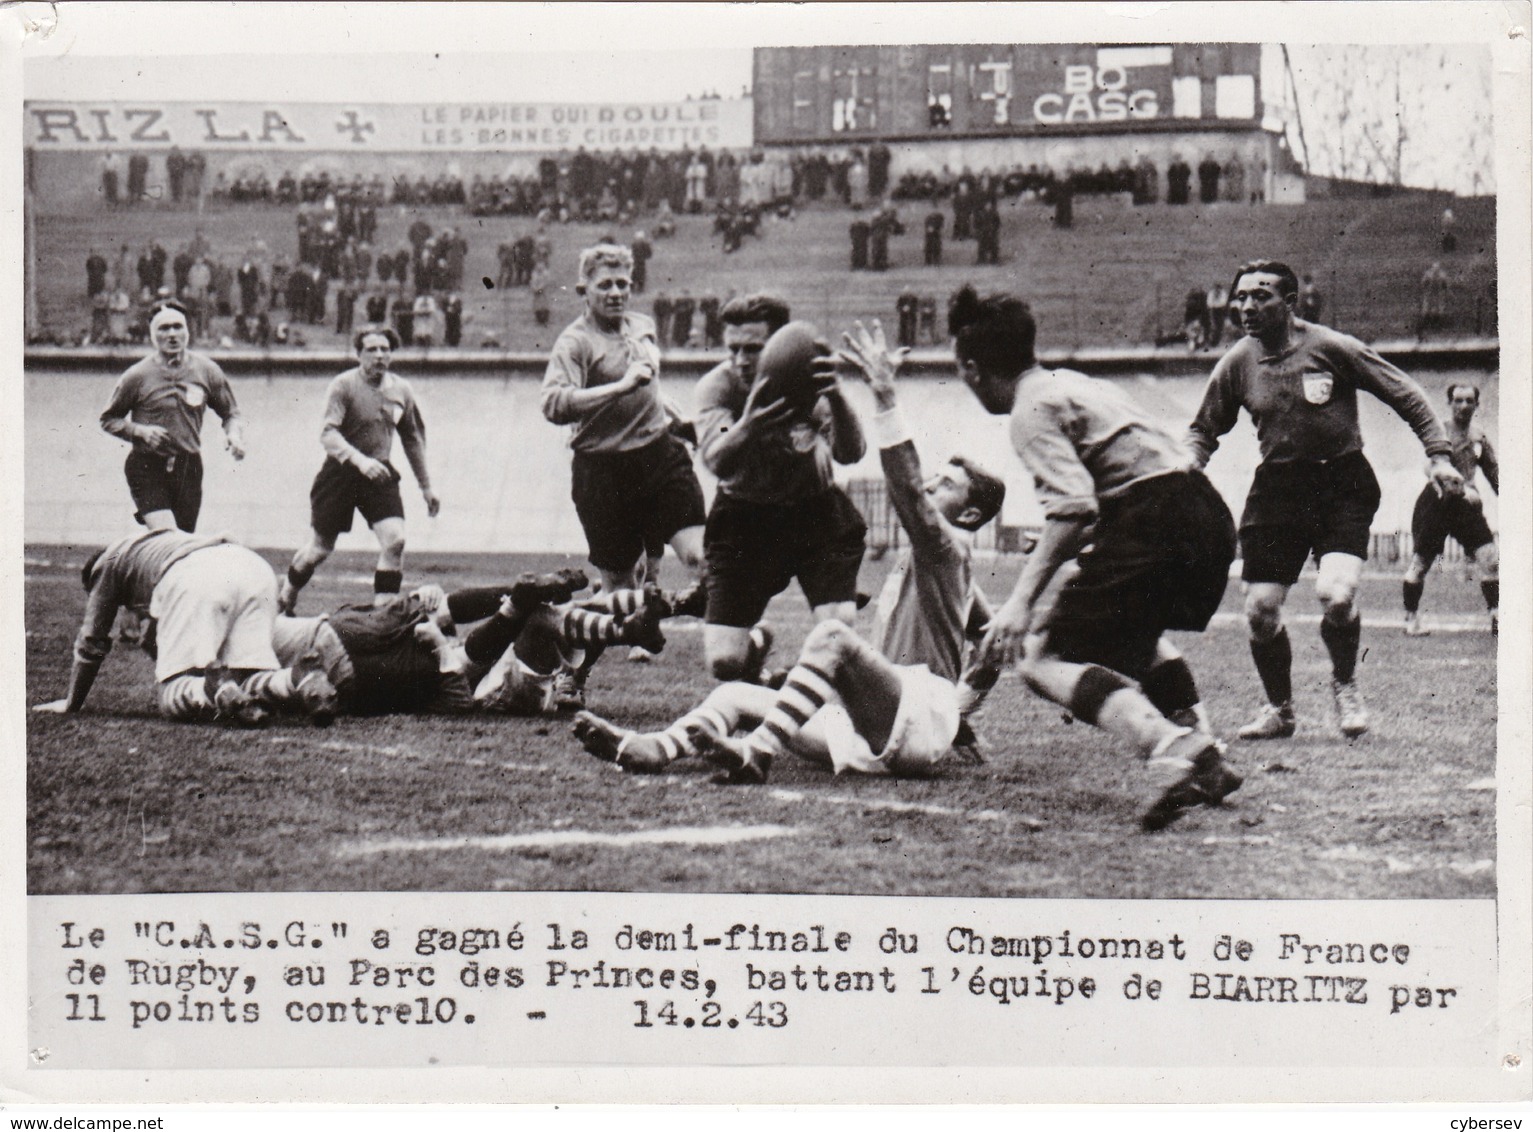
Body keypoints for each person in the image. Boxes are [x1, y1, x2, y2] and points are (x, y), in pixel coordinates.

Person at [575, 319, 1005, 782]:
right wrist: (961, 712)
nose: (932, 484)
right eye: (937, 476)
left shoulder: (948, 545)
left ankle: (755, 753)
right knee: (734, 695)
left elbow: (908, 489)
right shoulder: (944, 566)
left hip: (912, 716)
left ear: (968, 518)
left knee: (833, 636)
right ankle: (653, 748)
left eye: (947, 485)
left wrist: (884, 396)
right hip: (878, 724)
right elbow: (992, 639)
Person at [951, 286, 1241, 832]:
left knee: (1039, 658)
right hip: (1202, 512)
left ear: (971, 368)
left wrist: (1018, 602)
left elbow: (1074, 509)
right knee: (1135, 635)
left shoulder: (1028, 411)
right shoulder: (1072, 383)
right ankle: (1210, 760)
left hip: (1154, 519)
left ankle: (1175, 748)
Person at [1187, 260, 1464, 741]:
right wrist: (1189, 464)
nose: (1247, 306)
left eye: (1261, 296)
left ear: (1290, 302)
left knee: (1336, 595)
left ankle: (1345, 684)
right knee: (1259, 609)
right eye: (1241, 297)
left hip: (1342, 484)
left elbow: (1408, 395)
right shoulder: (1237, 361)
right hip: (1277, 489)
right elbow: (1203, 428)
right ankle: (1280, 710)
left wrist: (1439, 455)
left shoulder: (1332, 347)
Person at [692, 295, 867, 682]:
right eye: (732, 349)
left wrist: (836, 397)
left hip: (814, 512)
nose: (740, 360)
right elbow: (717, 461)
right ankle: (755, 648)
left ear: (779, 347)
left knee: (837, 633)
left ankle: (793, 687)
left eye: (753, 349)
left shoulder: (809, 382)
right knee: (725, 663)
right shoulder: (718, 389)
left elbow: (851, 453)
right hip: (744, 517)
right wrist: (750, 422)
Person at [32, 528, 337, 726]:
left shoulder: (105, 566)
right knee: (249, 675)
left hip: (196, 576)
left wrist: (72, 703)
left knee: (172, 695)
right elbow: (156, 635)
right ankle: (299, 679)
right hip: (253, 568)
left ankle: (208, 690)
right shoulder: (153, 543)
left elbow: (91, 642)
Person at [271, 570, 676, 717]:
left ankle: (636, 624)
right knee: (544, 613)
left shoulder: (555, 634)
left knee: (544, 613)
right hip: (501, 688)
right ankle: (650, 616)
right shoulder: (559, 635)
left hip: (506, 681)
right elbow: (457, 683)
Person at [540, 243, 706, 594]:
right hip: (603, 473)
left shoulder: (642, 326)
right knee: (620, 589)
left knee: (703, 559)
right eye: (605, 285)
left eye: (622, 284)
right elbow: (553, 404)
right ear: (584, 289)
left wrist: (677, 420)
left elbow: (647, 386)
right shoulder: (575, 343)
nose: (616, 293)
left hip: (660, 456)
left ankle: (743, 643)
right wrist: (620, 386)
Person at [278, 326, 441, 614]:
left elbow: (412, 438)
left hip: (379, 473)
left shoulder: (402, 390)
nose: (379, 355)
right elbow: (328, 433)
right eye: (372, 349)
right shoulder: (344, 385)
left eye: (385, 349)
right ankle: (286, 597)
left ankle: (382, 615)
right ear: (358, 354)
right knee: (319, 548)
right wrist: (360, 461)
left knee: (395, 540)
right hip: (340, 474)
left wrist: (426, 487)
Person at [99, 300, 246, 532]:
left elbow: (231, 413)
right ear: (153, 335)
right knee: (167, 538)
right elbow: (108, 419)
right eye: (164, 328)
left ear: (188, 331)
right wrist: (140, 431)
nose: (172, 334)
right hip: (147, 465)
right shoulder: (137, 375)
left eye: (178, 327)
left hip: (189, 467)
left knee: (182, 544)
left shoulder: (207, 370)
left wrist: (234, 436)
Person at [1403, 384, 1499, 636]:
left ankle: (1497, 617)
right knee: (1421, 563)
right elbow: (1430, 467)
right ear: (1450, 403)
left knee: (1490, 558)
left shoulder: (1479, 437)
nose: (1464, 406)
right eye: (1458, 400)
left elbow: (1494, 473)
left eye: (1469, 401)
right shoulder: (1440, 432)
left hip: (1466, 509)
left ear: (1477, 405)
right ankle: (1411, 619)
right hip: (1437, 503)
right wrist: (1459, 486)